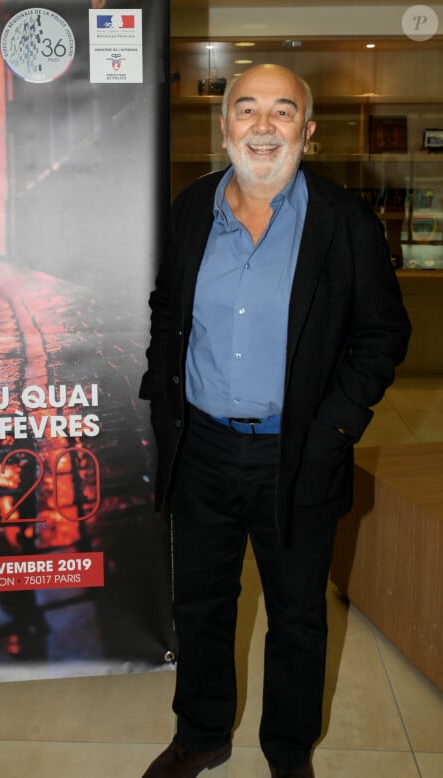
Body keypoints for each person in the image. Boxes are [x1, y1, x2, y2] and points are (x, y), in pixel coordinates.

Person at [139, 64, 411, 778]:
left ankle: (289, 752)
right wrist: (162, 400)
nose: (263, 126)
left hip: (300, 455)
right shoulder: (192, 208)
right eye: (247, 109)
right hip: (199, 450)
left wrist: (334, 430)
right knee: (200, 603)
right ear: (224, 124)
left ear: (308, 133)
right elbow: (167, 308)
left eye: (283, 112)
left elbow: (383, 334)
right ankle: (201, 734)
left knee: (297, 615)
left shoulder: (344, 221)